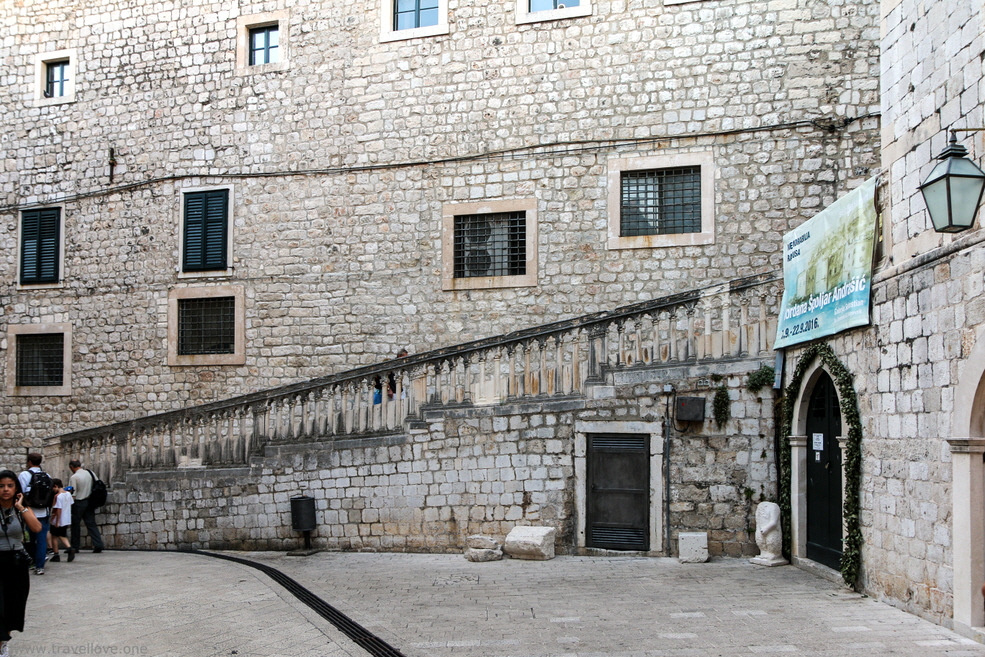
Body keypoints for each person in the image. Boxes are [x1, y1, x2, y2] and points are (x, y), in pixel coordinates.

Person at [0, 469, 42, 657]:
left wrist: (21, 508)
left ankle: (3, 642)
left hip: (16, 563)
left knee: (12, 606)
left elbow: (37, 527)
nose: (5, 490)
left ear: (16, 488)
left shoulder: (21, 509)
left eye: (10, 486)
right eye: (1, 486)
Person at [17, 454, 49, 575]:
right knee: (41, 540)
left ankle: (34, 561)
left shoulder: (24, 475)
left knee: (29, 539)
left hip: (29, 512)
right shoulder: (47, 475)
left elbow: (21, 493)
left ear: (29, 462)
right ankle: (40, 566)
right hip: (44, 512)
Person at [68, 460, 104, 555]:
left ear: (72, 467)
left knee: (75, 524)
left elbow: (73, 494)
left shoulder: (74, 477)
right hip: (90, 501)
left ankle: (75, 546)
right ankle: (98, 544)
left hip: (79, 502)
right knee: (91, 523)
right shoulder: (90, 473)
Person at [47, 480, 73, 563]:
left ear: (56, 486)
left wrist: (56, 521)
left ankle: (63, 551)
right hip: (66, 518)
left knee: (56, 535)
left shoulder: (58, 496)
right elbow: (70, 504)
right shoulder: (68, 494)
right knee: (60, 534)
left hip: (58, 520)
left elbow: (58, 509)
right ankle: (57, 553)